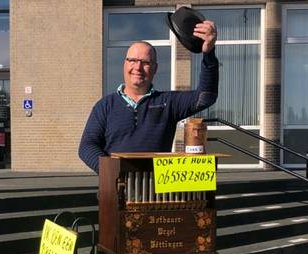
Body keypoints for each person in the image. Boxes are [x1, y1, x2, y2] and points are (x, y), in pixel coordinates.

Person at [78, 21, 219, 174]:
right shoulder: (105, 106)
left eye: (145, 62)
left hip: (156, 192)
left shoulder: (168, 103)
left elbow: (206, 97)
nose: (137, 68)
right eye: (132, 60)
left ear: (155, 68)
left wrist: (209, 53)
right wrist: (111, 171)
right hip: (115, 189)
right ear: (124, 64)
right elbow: (87, 146)